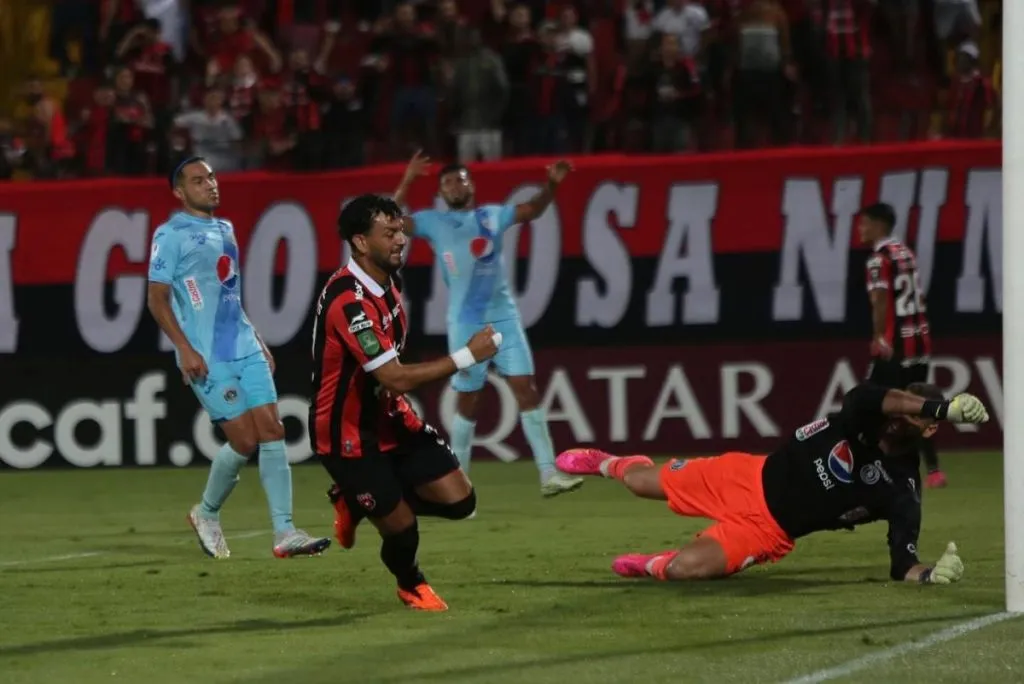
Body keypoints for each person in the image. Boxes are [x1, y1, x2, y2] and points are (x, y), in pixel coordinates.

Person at [556, 383, 990, 584]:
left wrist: (930, 575)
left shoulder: (901, 487)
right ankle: (610, 463)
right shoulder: (865, 414)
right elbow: (870, 396)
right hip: (744, 475)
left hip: (767, 530)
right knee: (639, 483)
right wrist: (940, 406)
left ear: (930, 431)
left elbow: (902, 564)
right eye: (908, 406)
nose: (901, 417)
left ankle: (655, 562)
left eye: (917, 417)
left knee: (683, 571)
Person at [313, 194, 502, 611]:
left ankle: (360, 500)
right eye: (390, 233)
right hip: (348, 434)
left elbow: (391, 374)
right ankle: (410, 583)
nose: (401, 240)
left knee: (461, 501)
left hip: (390, 419)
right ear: (361, 242)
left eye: (400, 230)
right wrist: (468, 356)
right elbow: (393, 376)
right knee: (402, 525)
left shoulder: (387, 281)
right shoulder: (350, 301)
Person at [147, 156, 330, 560]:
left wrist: (258, 338)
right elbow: (156, 299)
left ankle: (285, 531)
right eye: (198, 181)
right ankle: (206, 512)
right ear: (179, 192)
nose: (210, 185)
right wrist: (183, 347)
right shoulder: (170, 234)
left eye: (211, 177)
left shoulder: (226, 228)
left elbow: (229, 294)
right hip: (207, 354)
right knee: (244, 440)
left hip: (244, 344)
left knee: (273, 429)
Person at [392, 151, 584, 498]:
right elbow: (389, 221)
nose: (454, 186)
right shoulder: (433, 223)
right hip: (465, 324)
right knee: (469, 401)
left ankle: (548, 473)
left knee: (527, 389)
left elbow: (533, 211)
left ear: (471, 185)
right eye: (447, 182)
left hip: (505, 319)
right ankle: (460, 485)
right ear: (441, 192)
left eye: (460, 180)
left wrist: (551, 186)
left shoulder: (492, 216)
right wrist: (407, 180)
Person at [858, 202, 946, 488]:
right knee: (917, 407)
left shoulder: (878, 259)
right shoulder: (904, 253)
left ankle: (867, 469)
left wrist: (878, 337)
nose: (860, 229)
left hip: (895, 346)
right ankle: (933, 470)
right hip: (918, 342)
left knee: (868, 403)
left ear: (879, 225)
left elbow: (880, 300)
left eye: (865, 223)